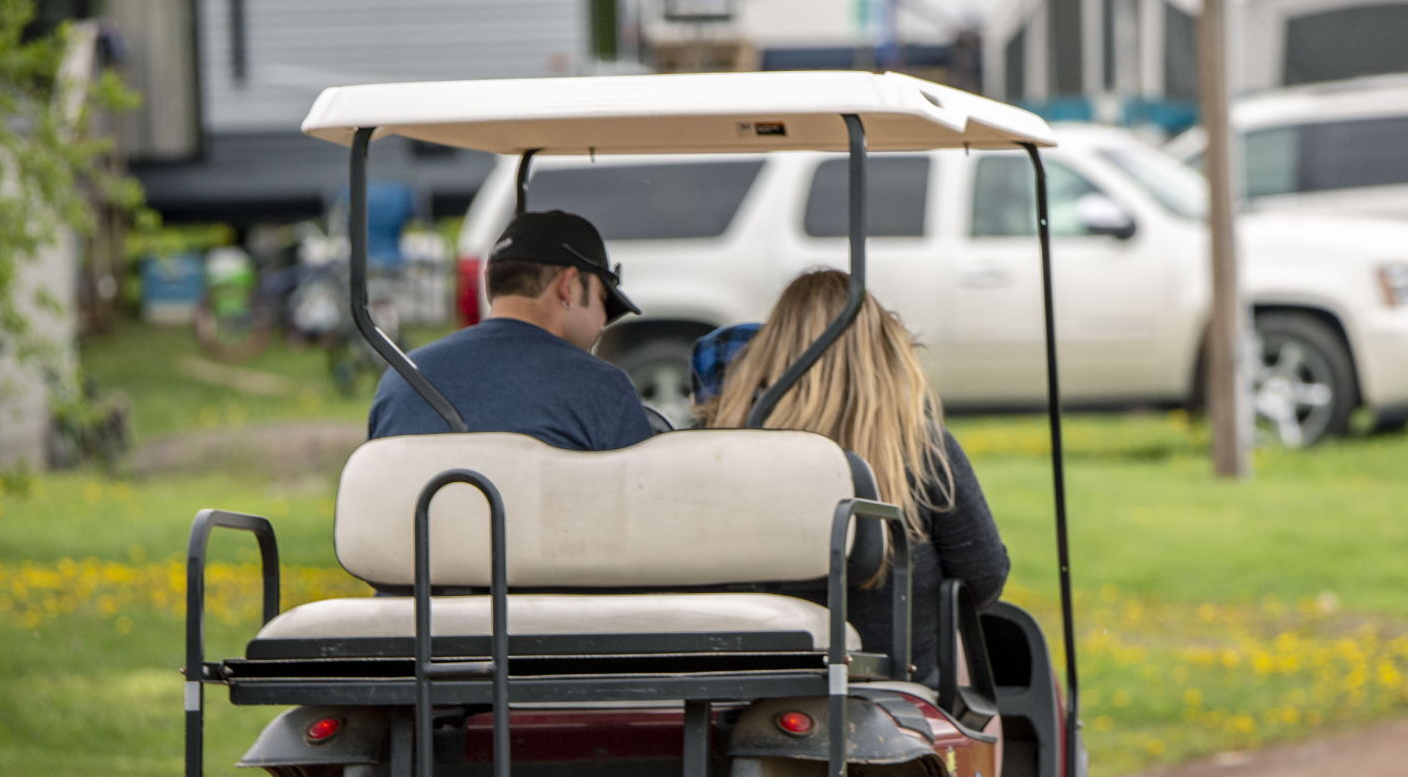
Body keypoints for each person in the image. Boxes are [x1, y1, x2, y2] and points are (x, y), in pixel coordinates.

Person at [698, 269, 1009, 687]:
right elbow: (983, 576)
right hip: (898, 683)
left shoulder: (718, 450)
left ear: (770, 349)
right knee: (969, 661)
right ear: (883, 353)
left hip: (750, 681)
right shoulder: (922, 447)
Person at [367, 210, 652, 449]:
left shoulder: (404, 379)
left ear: (490, 280)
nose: (603, 323)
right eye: (604, 300)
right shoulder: (601, 388)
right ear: (569, 286)